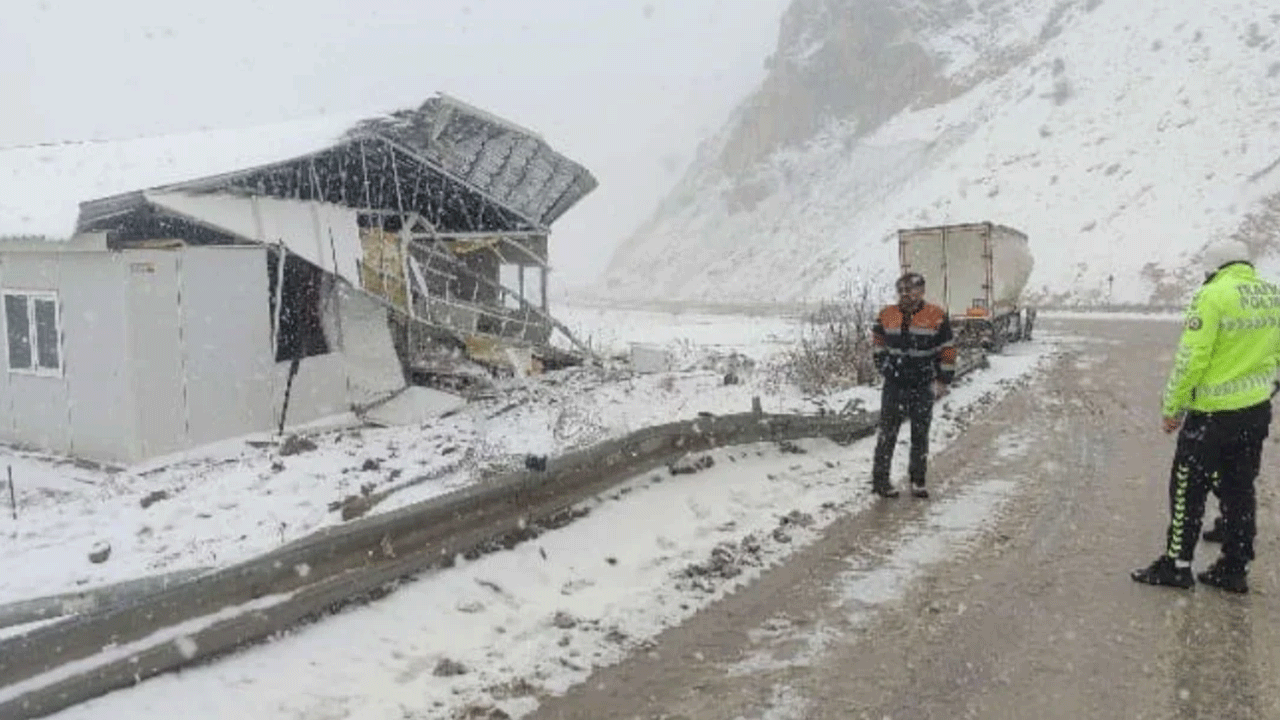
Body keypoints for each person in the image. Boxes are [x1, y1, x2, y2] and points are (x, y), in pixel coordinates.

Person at [1131, 239, 1280, 593]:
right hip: (1255, 413)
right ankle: (1234, 567)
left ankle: (1177, 565)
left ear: (1214, 266)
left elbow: (1191, 359)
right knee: (1239, 488)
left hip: (1212, 417)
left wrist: (1172, 409)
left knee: (1187, 487)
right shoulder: (1272, 295)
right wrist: (1267, 389)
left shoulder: (1212, 295)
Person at [870, 272, 956, 499]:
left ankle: (918, 481)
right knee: (887, 434)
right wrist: (884, 366)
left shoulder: (936, 316)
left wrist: (943, 379)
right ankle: (880, 482)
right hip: (894, 385)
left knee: (920, 435)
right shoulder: (886, 315)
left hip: (922, 384)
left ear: (922, 291)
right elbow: (878, 342)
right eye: (902, 290)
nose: (907, 295)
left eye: (912, 290)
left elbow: (947, 349)